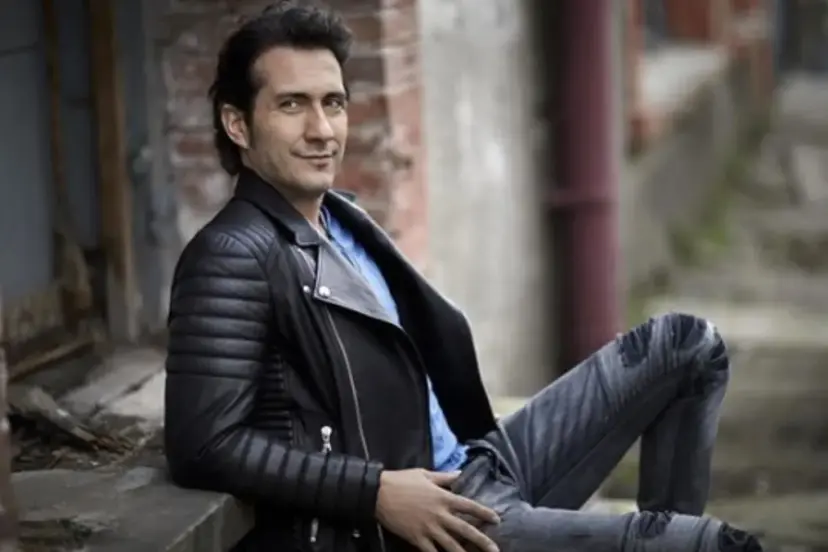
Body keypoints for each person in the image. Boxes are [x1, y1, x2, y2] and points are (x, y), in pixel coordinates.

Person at [163, 2, 763, 551]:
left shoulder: (338, 218)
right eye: (292, 105)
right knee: (719, 546)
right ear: (238, 124)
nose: (322, 129)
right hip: (427, 520)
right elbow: (203, 445)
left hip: (475, 466)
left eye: (334, 103)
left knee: (690, 346)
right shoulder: (232, 255)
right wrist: (374, 492)